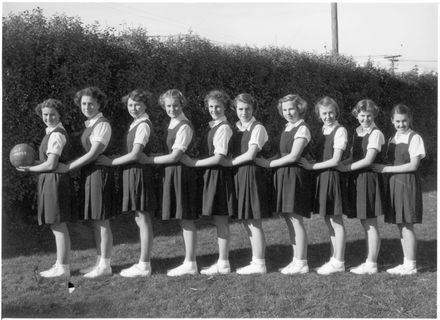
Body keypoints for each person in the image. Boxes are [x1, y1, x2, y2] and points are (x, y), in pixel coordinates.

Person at [96, 89, 156, 277]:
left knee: (143, 217)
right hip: (132, 171)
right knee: (139, 217)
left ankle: (144, 265)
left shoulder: (144, 124)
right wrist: (117, 157)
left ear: (145, 105)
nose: (133, 108)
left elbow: (136, 154)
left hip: (139, 173)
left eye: (137, 104)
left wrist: (110, 162)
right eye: (130, 105)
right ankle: (142, 263)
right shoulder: (135, 124)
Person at [57, 87, 116, 278]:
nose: (87, 106)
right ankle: (100, 263)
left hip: (99, 172)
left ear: (99, 104)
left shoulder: (102, 125)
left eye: (91, 103)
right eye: (83, 103)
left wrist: (68, 167)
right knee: (96, 219)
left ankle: (105, 265)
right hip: (90, 173)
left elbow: (94, 153)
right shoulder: (91, 124)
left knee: (101, 219)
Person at [138, 89, 198, 277]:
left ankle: (191, 262)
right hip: (171, 172)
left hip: (181, 173)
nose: (171, 109)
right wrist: (154, 156)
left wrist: (148, 160)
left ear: (182, 104)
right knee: (182, 217)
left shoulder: (184, 125)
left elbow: (175, 156)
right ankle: (188, 260)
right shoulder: (172, 122)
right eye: (168, 105)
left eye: (175, 105)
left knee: (186, 217)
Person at [180, 90, 235, 275]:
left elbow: (219, 157)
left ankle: (224, 262)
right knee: (218, 219)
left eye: (218, 106)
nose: (214, 109)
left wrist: (192, 163)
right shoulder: (214, 126)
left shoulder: (224, 127)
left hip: (219, 175)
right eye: (211, 106)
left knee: (221, 219)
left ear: (225, 107)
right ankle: (222, 261)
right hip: (211, 175)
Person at [255, 94, 311, 275]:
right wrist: (267, 159)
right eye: (285, 110)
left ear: (300, 108)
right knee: (289, 219)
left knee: (295, 219)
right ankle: (296, 259)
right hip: (283, 174)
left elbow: (293, 156)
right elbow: (283, 153)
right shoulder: (288, 127)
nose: (288, 113)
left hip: (294, 175)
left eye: (291, 109)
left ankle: (302, 262)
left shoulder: (302, 129)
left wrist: (269, 164)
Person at [17, 99, 73, 278]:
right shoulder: (50, 132)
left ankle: (63, 267)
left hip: (55, 180)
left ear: (59, 115)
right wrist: (33, 163)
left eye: (52, 114)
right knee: (55, 224)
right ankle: (60, 264)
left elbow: (51, 164)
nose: (48, 118)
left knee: (58, 224)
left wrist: (29, 169)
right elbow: (47, 162)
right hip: (50, 180)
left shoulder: (57, 134)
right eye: (45, 114)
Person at [372, 104, 425, 275]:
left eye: (404, 121)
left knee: (407, 224)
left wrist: (386, 169)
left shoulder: (415, 138)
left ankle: (411, 264)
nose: (401, 124)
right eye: (397, 121)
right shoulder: (392, 139)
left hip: (407, 182)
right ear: (392, 121)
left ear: (409, 120)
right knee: (400, 223)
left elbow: (414, 165)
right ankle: (406, 262)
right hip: (394, 183)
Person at [299, 96, 347, 275]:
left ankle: (339, 260)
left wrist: (312, 166)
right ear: (319, 115)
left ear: (336, 112)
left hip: (332, 176)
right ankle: (334, 258)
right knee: (328, 219)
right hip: (322, 176)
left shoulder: (340, 131)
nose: (328, 116)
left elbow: (335, 160)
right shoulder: (322, 130)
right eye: (324, 113)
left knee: (336, 219)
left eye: (331, 112)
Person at [223, 93, 270, 275]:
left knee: (253, 220)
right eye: (240, 109)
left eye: (247, 109)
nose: (244, 112)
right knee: (246, 219)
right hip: (238, 175)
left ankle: (260, 263)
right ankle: (255, 259)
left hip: (251, 174)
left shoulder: (258, 128)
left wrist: (229, 163)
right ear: (235, 109)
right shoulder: (236, 128)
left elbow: (251, 154)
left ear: (253, 109)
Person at [337, 99, 385, 275]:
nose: (365, 119)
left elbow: (368, 160)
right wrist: (339, 163)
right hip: (358, 178)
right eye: (362, 115)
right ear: (357, 116)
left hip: (369, 179)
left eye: (369, 116)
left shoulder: (376, 134)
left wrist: (345, 168)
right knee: (365, 222)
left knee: (370, 223)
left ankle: (371, 263)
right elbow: (353, 157)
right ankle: (369, 260)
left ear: (374, 115)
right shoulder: (357, 132)